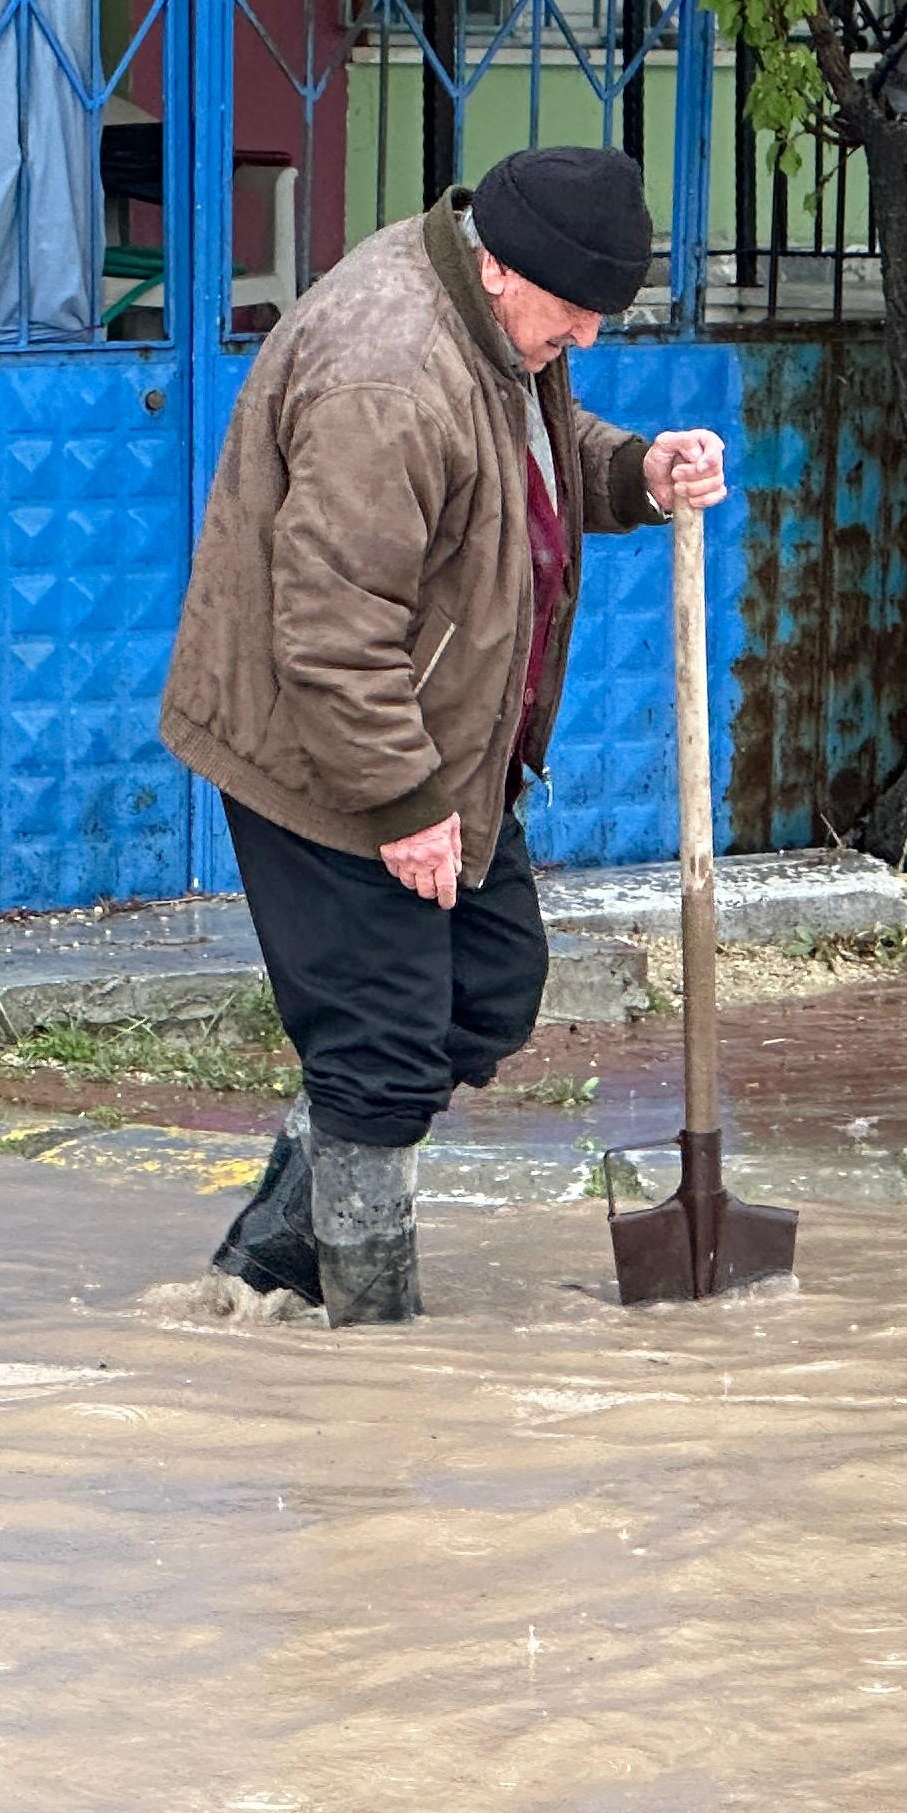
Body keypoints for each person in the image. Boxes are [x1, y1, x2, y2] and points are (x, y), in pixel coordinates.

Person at [160, 145, 729, 1324]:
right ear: (507, 269)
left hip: (438, 741)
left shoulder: (488, 319)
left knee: (491, 988)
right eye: (575, 315)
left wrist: (635, 473)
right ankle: (377, 1343)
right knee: (380, 1048)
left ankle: (265, 1265)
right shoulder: (392, 373)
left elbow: (520, 464)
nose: (583, 341)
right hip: (328, 752)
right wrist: (408, 806)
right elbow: (328, 627)